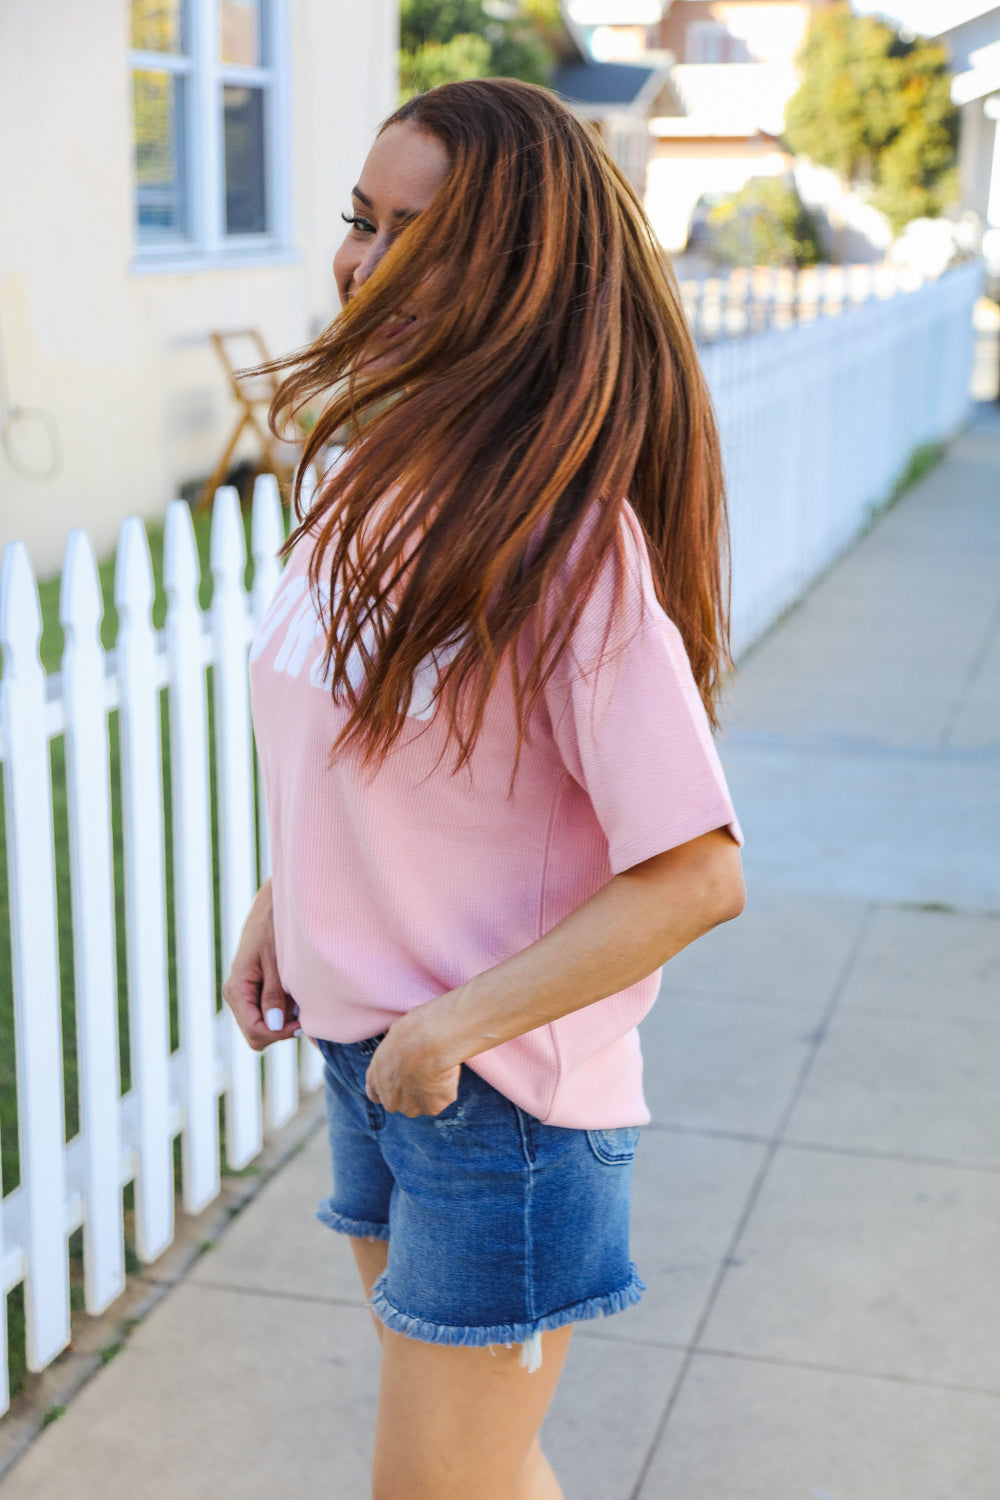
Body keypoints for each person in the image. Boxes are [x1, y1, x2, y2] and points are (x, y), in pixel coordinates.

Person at [223, 78, 744, 1500]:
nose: (361, 262)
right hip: (374, 1059)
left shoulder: (562, 545)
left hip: (496, 1100)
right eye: (360, 221)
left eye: (419, 235)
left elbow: (699, 872)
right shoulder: (360, 487)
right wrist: (288, 896)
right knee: (486, 1478)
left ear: (517, 278)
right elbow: (367, 760)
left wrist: (452, 1026)